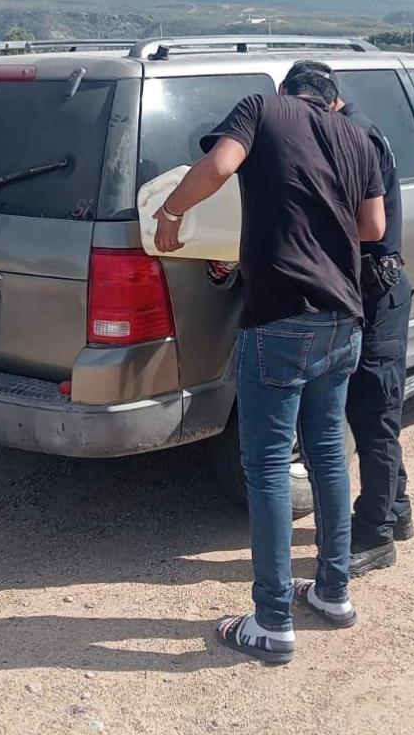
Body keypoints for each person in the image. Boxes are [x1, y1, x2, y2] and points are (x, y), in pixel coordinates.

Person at [153, 64, 386, 664]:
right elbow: (373, 226)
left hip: (281, 317)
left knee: (267, 467)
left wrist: (171, 214)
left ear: (287, 90)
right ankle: (333, 593)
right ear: (334, 103)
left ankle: (273, 619)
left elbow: (219, 166)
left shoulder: (262, 108)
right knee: (329, 452)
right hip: (343, 317)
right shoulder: (358, 137)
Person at [293, 61, 414, 577]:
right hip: (365, 286)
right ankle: (397, 509)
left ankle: (374, 535)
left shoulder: (354, 136)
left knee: (373, 409)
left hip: (374, 288)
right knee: (374, 406)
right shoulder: (350, 127)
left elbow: (366, 226)